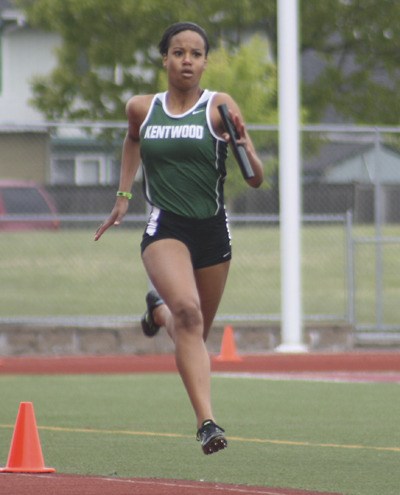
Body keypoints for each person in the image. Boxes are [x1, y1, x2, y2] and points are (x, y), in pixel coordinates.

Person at [94, 21, 264, 455]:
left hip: (212, 229)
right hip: (165, 227)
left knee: (194, 327)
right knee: (188, 313)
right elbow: (133, 141)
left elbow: (256, 178)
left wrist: (243, 142)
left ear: (205, 62)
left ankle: (157, 313)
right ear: (165, 58)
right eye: (178, 52)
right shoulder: (142, 108)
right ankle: (207, 423)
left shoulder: (218, 106)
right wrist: (123, 196)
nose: (186, 60)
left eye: (195, 53)